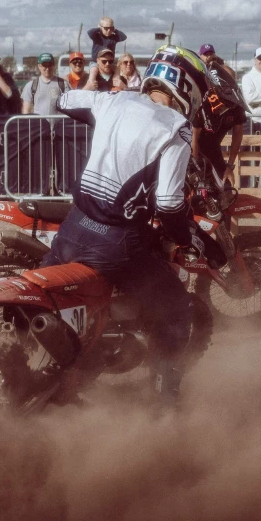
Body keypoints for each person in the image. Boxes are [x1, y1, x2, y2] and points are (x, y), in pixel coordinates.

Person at [43, 45, 209, 407]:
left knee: (48, 299)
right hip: (115, 244)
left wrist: (101, 110)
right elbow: (167, 203)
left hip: (71, 231)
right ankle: (166, 402)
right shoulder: (176, 128)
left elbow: (65, 100)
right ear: (188, 88)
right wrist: (186, 236)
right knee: (175, 309)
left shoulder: (112, 102)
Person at [193, 57, 246, 186]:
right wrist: (195, 167)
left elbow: (238, 134)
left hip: (213, 147)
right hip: (191, 147)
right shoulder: (204, 100)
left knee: (226, 186)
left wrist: (230, 166)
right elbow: (194, 136)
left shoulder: (237, 102)